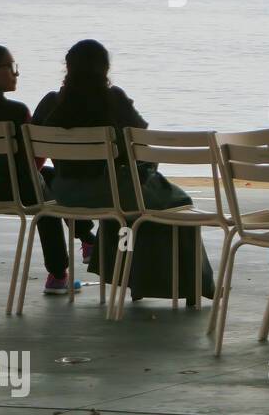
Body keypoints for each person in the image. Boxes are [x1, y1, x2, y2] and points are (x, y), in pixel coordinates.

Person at [32, 39, 214, 305]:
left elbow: (34, 149)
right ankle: (193, 286)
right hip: (114, 194)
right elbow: (142, 143)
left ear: (67, 67)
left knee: (134, 205)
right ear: (105, 68)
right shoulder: (112, 99)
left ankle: (131, 281)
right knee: (178, 203)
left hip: (65, 197)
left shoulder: (50, 103)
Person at [0, 44, 93, 294]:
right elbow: (29, 165)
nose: (16, 73)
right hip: (11, 193)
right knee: (48, 198)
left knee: (51, 178)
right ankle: (60, 272)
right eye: (10, 67)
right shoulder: (14, 112)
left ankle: (85, 242)